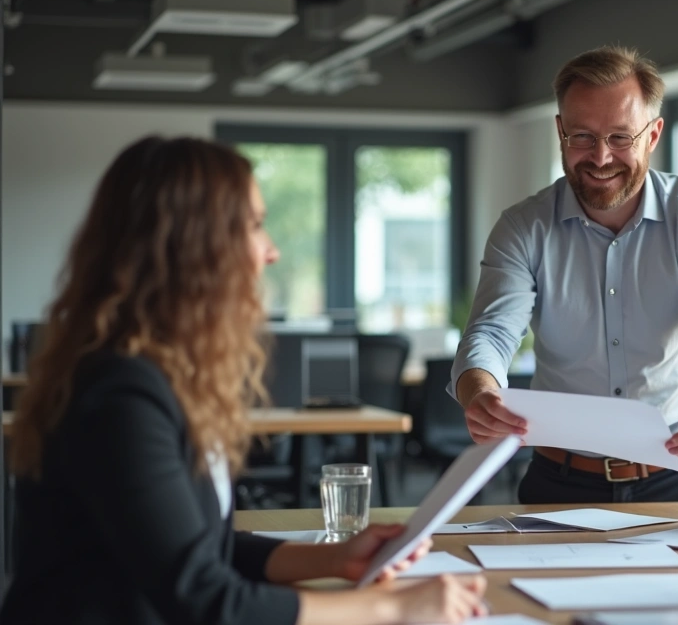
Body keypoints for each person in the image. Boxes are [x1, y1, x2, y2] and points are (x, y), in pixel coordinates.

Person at [0, 136, 486, 625]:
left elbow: (200, 547)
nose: (271, 251)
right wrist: (392, 607)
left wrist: (334, 558)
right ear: (193, 246)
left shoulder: (163, 374)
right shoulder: (120, 395)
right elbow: (202, 597)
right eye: (254, 225)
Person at [451, 45, 678, 504]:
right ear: (559, 131)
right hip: (557, 481)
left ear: (653, 134)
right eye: (582, 136)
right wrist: (480, 392)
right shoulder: (523, 227)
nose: (600, 158)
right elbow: (491, 333)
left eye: (621, 137)